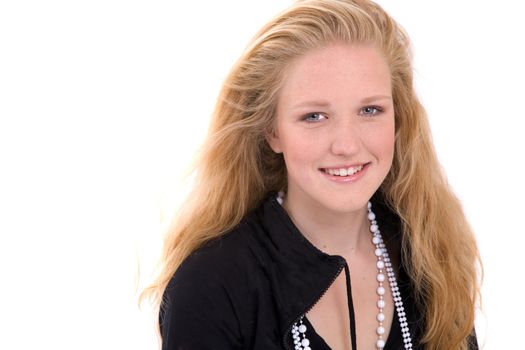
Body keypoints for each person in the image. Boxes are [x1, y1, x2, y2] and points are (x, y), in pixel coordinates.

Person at [143, 0, 481, 349]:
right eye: (314, 116)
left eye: (370, 110)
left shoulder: (432, 255)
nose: (347, 145)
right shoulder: (211, 286)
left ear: (398, 120)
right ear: (272, 131)